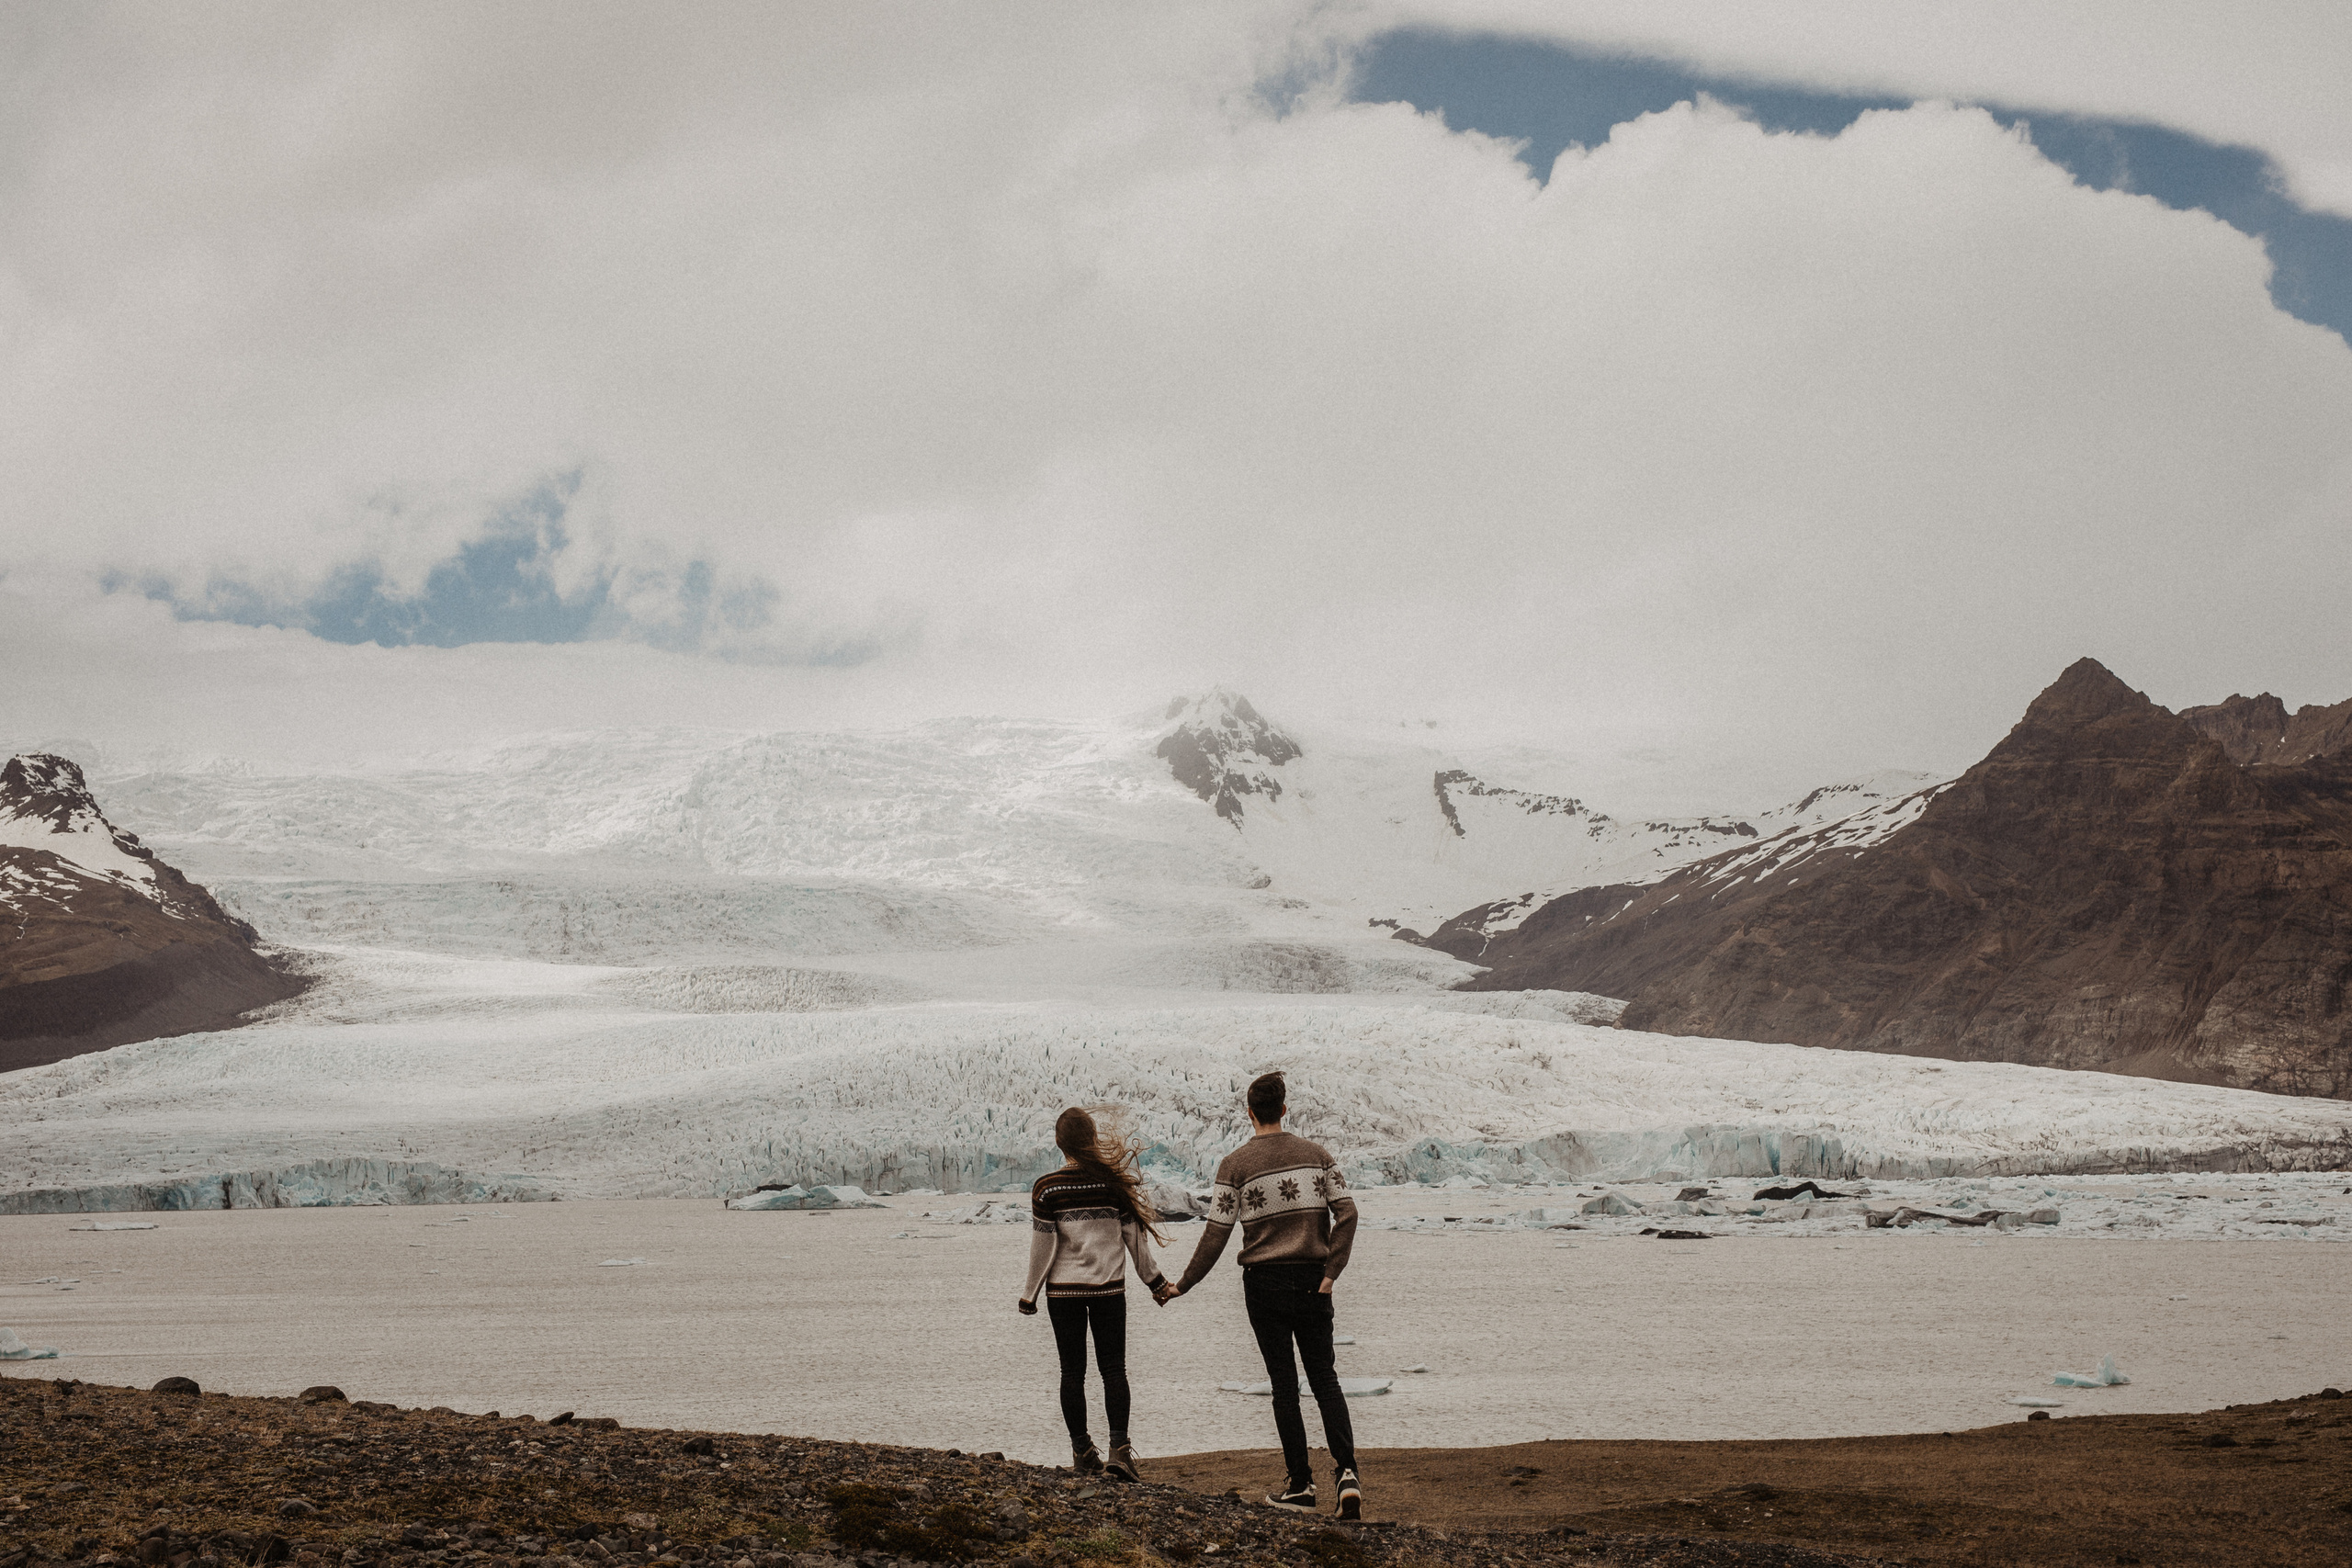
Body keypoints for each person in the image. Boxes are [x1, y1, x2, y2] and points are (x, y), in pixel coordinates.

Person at [1159, 1071, 1361, 1518]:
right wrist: (1331, 1272)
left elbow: (1215, 1234)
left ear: (1249, 1113)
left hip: (1264, 1284)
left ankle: (1301, 1486)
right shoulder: (1318, 1156)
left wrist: (1182, 1285)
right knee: (1325, 1378)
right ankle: (1347, 1475)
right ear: (1284, 1110)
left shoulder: (1235, 1165)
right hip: (1313, 1279)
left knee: (1285, 1385)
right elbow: (1348, 1214)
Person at [1019, 1106, 1170, 1481]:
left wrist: (1030, 1294)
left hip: (1063, 1293)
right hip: (1109, 1291)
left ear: (1059, 1143)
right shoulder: (1113, 1185)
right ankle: (1119, 1450)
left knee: (1072, 1372)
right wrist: (1156, 1283)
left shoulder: (1047, 1187)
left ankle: (1083, 1450)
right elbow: (1135, 1240)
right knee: (1113, 1369)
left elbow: (1043, 1246)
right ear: (1091, 1140)